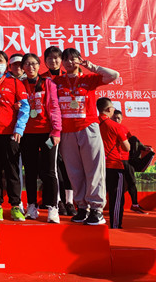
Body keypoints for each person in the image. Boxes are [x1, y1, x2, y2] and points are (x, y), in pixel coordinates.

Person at [55, 47, 119, 225]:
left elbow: (114, 75)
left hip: (88, 128)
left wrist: (91, 66)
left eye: (73, 58)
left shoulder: (89, 79)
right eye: (66, 59)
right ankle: (82, 207)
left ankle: (97, 209)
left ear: (79, 60)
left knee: (93, 169)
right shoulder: (57, 81)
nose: (69, 62)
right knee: (74, 171)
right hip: (67, 131)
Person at [0, 50, 29, 222]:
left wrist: (19, 129)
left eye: (0, 61)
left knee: (12, 171)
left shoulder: (15, 83)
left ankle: (16, 206)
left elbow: (25, 107)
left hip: (10, 134)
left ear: (6, 64)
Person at [19, 53, 62, 223]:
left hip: (47, 134)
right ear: (23, 67)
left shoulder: (48, 83)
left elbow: (54, 107)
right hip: (27, 134)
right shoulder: (19, 84)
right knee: (30, 171)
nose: (31, 67)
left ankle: (53, 207)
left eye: (34, 64)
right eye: (27, 64)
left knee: (49, 171)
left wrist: (56, 130)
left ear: (39, 65)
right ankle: (31, 206)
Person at [41, 45, 75, 216]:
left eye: (56, 58)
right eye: (50, 58)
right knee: (52, 165)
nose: (53, 61)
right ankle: (58, 200)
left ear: (61, 60)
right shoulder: (41, 79)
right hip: (50, 131)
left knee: (68, 164)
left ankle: (70, 202)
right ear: (45, 61)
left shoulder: (68, 77)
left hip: (68, 128)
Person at [97, 98, 130, 229]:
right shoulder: (116, 126)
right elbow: (127, 148)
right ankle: (115, 224)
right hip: (114, 165)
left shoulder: (91, 124)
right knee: (116, 197)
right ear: (109, 109)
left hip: (96, 166)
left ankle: (94, 219)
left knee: (96, 194)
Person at [112, 109, 150, 214]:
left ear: (122, 119)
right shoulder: (108, 128)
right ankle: (109, 207)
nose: (116, 120)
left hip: (126, 160)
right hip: (113, 161)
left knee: (132, 182)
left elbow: (133, 141)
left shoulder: (124, 129)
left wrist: (144, 148)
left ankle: (135, 205)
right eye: (114, 118)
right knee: (113, 185)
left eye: (118, 118)